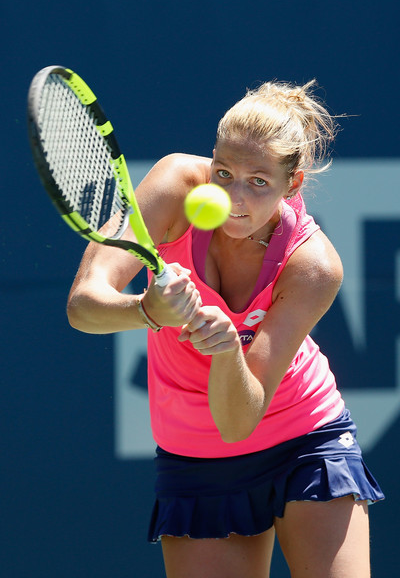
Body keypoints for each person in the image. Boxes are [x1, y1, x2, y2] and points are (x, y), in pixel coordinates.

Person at [67, 79, 384, 578]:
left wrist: (226, 349)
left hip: (304, 434)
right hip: (194, 452)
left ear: (293, 184)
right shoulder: (173, 185)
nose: (235, 198)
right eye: (224, 173)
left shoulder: (313, 266)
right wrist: (146, 311)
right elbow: (83, 306)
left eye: (259, 181)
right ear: (211, 160)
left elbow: (240, 421)